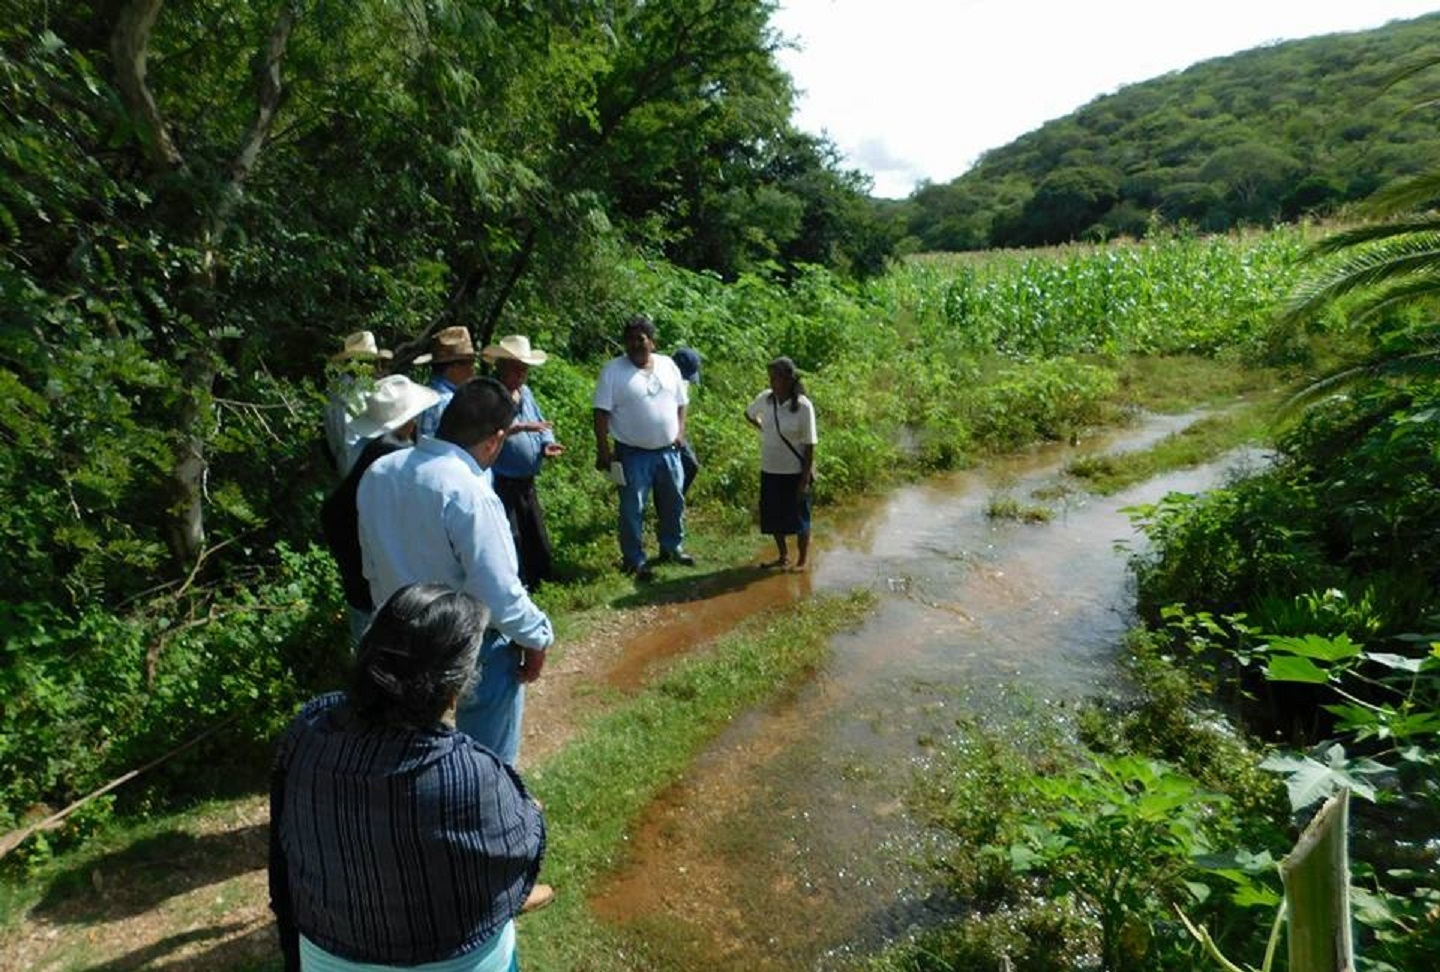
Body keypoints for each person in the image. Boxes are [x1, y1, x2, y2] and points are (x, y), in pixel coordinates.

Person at [269, 584, 547, 972]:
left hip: (328, 956)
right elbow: (523, 847)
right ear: (453, 689)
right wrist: (529, 812)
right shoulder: (470, 772)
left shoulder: (310, 728)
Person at [357, 377, 553, 767]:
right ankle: (490, 800)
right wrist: (537, 637)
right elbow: (496, 591)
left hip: (397, 630)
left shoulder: (379, 473)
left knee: (406, 751)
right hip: (464, 640)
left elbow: (372, 568)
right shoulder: (469, 490)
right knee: (487, 755)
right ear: (496, 439)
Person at [320, 375, 439, 645]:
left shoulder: (368, 453)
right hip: (391, 593)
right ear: (410, 419)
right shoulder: (398, 460)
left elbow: (332, 514)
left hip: (361, 587)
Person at [592, 315, 694, 580]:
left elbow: (682, 403)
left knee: (674, 501)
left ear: (652, 341)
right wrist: (603, 450)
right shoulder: (613, 371)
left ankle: (672, 548)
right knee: (632, 508)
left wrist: (680, 432)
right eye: (630, 340)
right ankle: (634, 559)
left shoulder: (668, 365)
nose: (635, 344)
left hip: (668, 451)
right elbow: (600, 414)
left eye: (641, 338)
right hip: (631, 453)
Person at [483, 335, 564, 591]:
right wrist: (517, 428)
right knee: (511, 534)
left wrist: (546, 443)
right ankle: (519, 585)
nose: (521, 374)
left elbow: (540, 423)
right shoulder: (491, 396)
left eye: (524, 369)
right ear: (501, 367)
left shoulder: (525, 393)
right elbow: (487, 432)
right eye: (516, 368)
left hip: (526, 480)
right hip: (502, 479)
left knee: (534, 532)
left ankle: (543, 581)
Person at [744, 356, 817, 571]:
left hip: (794, 471)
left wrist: (804, 480)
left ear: (789, 379)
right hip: (770, 469)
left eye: (776, 377)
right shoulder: (766, 399)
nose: (772, 382)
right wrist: (764, 428)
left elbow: (810, 445)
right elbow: (748, 414)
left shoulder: (803, 406)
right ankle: (783, 555)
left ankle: (802, 560)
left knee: (800, 518)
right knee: (774, 516)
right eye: (770, 378)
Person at [323, 331, 392, 477]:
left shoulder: (335, 388)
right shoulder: (354, 394)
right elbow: (355, 439)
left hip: (345, 464)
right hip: (360, 467)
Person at [415, 326, 478, 439]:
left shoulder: (423, 395)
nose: (473, 370)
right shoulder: (450, 403)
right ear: (453, 367)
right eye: (469, 363)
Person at [672, 347, 702, 495]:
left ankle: (675, 498)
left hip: (676, 434)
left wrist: (680, 432)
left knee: (690, 465)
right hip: (661, 436)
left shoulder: (683, 384)